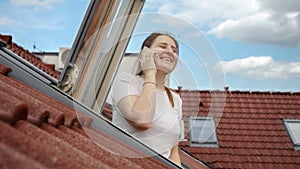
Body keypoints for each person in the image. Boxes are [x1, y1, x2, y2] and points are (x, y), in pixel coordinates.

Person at [111, 32, 182, 166]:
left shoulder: (175, 98)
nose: (170, 52)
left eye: (174, 50)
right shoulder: (127, 82)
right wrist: (150, 73)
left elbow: (173, 152)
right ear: (145, 52)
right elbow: (142, 121)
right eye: (163, 46)